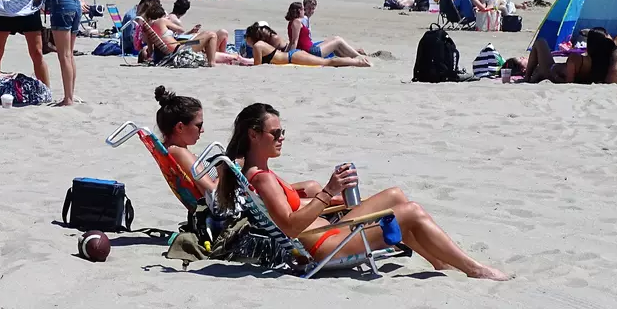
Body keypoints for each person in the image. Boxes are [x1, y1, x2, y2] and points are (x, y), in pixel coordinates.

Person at [213, 103, 509, 279]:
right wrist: (328, 191)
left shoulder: (256, 172)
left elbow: (291, 209)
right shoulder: (262, 178)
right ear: (253, 135)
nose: (281, 138)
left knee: (394, 195)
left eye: (282, 132)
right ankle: (474, 269)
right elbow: (290, 227)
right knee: (411, 212)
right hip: (322, 245)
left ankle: (438, 260)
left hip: (326, 231)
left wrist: (328, 194)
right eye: (275, 134)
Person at [153, 86, 323, 205]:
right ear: (180, 127)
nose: (202, 130)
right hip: (236, 198)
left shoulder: (171, 150)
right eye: (198, 125)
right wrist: (231, 167)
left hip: (237, 191)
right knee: (312, 190)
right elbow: (213, 192)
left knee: (311, 187)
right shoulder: (179, 153)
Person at [144, 1, 249, 66]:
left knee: (202, 38)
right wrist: (168, 22)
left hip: (176, 49)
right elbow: (180, 29)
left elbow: (150, 51)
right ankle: (212, 63)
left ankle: (218, 56)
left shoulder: (149, 31)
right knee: (211, 34)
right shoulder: (161, 21)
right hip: (179, 50)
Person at [245, 22, 370, 67]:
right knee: (327, 61)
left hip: (292, 57)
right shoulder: (262, 44)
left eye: (247, 39)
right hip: (292, 56)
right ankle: (354, 60)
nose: (246, 42)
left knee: (327, 62)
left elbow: (258, 66)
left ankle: (359, 62)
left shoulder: (258, 46)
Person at [519, 28, 615, 84]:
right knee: (539, 70)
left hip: (551, 71)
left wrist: (554, 76)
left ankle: (527, 77)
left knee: (540, 42)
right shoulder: (606, 60)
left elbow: (568, 84)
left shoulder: (577, 59)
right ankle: (536, 74)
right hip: (559, 71)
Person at [284, 1, 365, 58]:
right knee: (338, 40)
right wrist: (289, 57)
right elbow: (294, 42)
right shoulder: (296, 22)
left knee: (334, 40)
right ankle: (359, 56)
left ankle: (354, 54)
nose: (304, 11)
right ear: (298, 11)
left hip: (310, 48)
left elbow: (292, 42)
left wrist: (285, 53)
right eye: (303, 9)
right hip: (311, 51)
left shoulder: (293, 22)